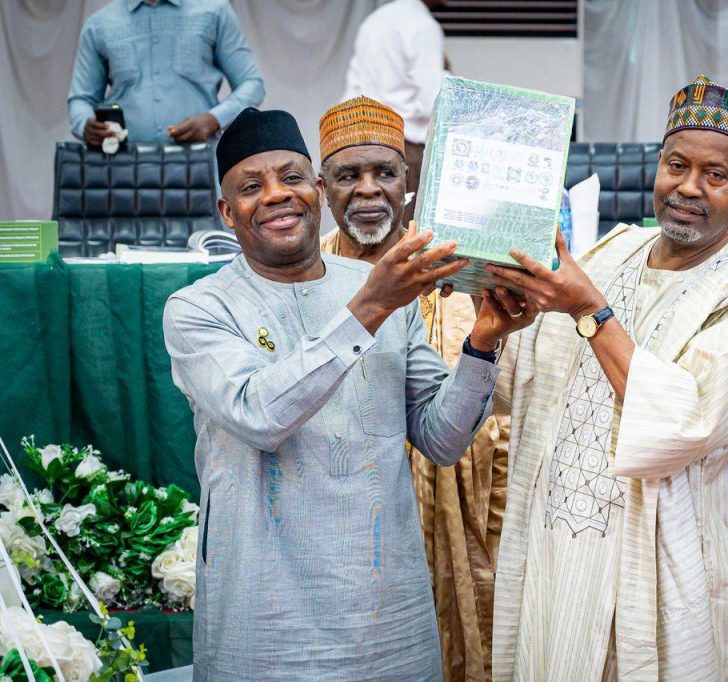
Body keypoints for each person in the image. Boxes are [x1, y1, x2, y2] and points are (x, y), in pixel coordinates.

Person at [162, 107, 534, 680]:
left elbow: (441, 439)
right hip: (265, 618)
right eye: (252, 187)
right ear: (226, 212)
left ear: (314, 190)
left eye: (291, 178)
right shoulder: (199, 308)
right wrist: (371, 306)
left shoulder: (377, 290)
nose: (276, 195)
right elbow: (259, 414)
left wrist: (483, 344)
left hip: (387, 614)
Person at [489, 75, 728, 680]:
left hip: (664, 581)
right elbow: (522, 386)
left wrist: (590, 311)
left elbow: (680, 426)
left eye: (715, 175)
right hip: (558, 562)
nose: (688, 187)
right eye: (676, 165)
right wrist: (497, 320)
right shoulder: (610, 253)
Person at [318, 96, 509, 681]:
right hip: (341, 517)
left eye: (385, 172)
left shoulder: (456, 267)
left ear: (408, 182)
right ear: (323, 187)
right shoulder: (308, 273)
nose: (368, 190)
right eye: (348, 175)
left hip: (450, 502)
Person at [68, 0, 264, 149]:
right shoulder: (99, 24)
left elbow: (252, 84)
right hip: (124, 169)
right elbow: (81, 99)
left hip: (199, 165)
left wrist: (214, 119)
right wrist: (85, 123)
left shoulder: (215, 11)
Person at [342, 0, 448, 223]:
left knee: (369, 224)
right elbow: (431, 101)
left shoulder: (374, 21)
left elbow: (354, 86)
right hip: (406, 145)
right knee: (405, 228)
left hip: (365, 139)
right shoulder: (423, 26)